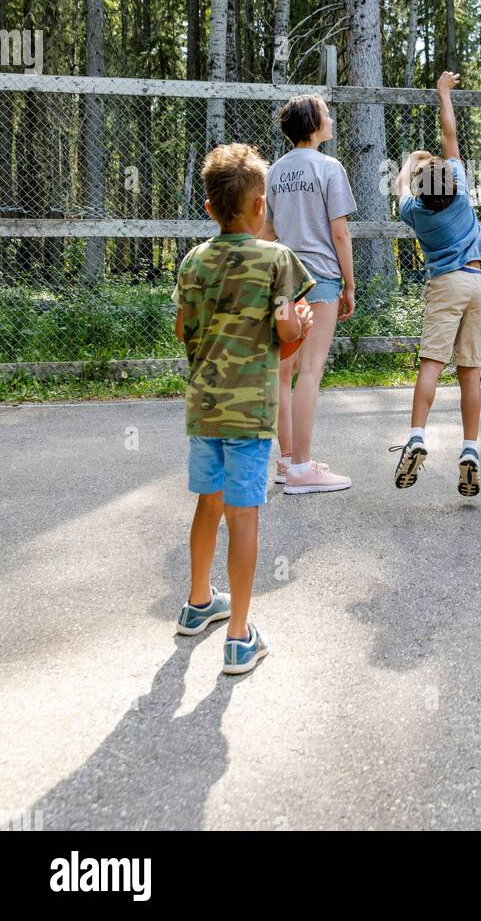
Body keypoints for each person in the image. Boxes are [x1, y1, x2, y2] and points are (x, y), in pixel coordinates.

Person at [173, 143, 314, 673]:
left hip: (204, 407)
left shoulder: (192, 262)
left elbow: (184, 329)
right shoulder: (277, 261)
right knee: (244, 512)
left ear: (210, 209)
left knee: (208, 503)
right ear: (262, 207)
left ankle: (197, 603)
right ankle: (238, 637)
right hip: (251, 412)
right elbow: (284, 331)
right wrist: (297, 323)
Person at [391, 70, 481, 497]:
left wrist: (412, 163)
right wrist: (442, 92)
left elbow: (399, 188)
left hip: (445, 285)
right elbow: (450, 135)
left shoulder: (415, 212)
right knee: (470, 370)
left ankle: (416, 437)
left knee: (432, 363)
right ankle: (469, 449)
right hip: (477, 282)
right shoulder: (463, 193)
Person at [260, 95, 356, 495]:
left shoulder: (275, 172)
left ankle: (287, 461)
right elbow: (339, 233)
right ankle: (302, 468)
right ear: (314, 124)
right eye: (327, 114)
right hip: (321, 278)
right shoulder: (330, 168)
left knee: (284, 371)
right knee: (311, 371)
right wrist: (349, 284)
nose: (331, 119)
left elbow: (267, 233)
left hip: (283, 275)